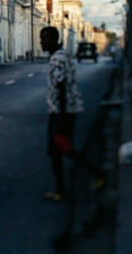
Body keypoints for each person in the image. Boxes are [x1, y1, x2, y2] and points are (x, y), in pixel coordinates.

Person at [40, 25, 106, 202]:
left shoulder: (58, 59)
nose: (42, 43)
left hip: (63, 112)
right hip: (62, 110)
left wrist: (59, 118)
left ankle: (96, 173)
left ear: (53, 40)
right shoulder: (60, 56)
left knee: (63, 149)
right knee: (58, 152)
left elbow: (61, 88)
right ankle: (60, 190)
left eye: (44, 39)